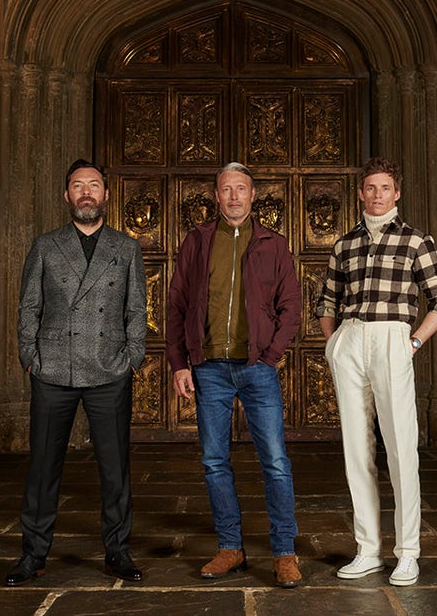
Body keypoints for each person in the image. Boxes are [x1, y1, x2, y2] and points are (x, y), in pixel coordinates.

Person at [6, 158, 147, 586]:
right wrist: (31, 357)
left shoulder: (126, 248)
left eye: (94, 185)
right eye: (77, 185)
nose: (86, 192)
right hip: (53, 370)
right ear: (66, 195)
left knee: (114, 468)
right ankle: (33, 553)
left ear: (106, 194)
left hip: (108, 369)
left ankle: (117, 552)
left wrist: (132, 357)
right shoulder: (46, 245)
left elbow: (136, 308)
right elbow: (28, 306)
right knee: (43, 468)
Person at [315, 157, 437, 587]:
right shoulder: (345, 245)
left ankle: (407, 552)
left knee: (401, 451)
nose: (377, 195)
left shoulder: (416, 241)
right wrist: (334, 343)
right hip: (351, 340)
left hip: (394, 339)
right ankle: (368, 550)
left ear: (398, 194)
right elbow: (325, 302)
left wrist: (412, 343)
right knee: (356, 450)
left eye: (385, 188)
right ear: (360, 193)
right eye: (370, 188)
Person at [166, 162, 304, 589]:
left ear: (252, 194)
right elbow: (176, 304)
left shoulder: (273, 244)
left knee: (276, 463)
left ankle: (284, 552)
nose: (233, 197)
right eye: (226, 189)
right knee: (214, 461)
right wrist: (179, 363)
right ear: (216, 195)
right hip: (208, 369)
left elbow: (292, 307)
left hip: (255, 368)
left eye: (240, 189)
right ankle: (231, 547)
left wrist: (271, 355)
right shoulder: (197, 241)